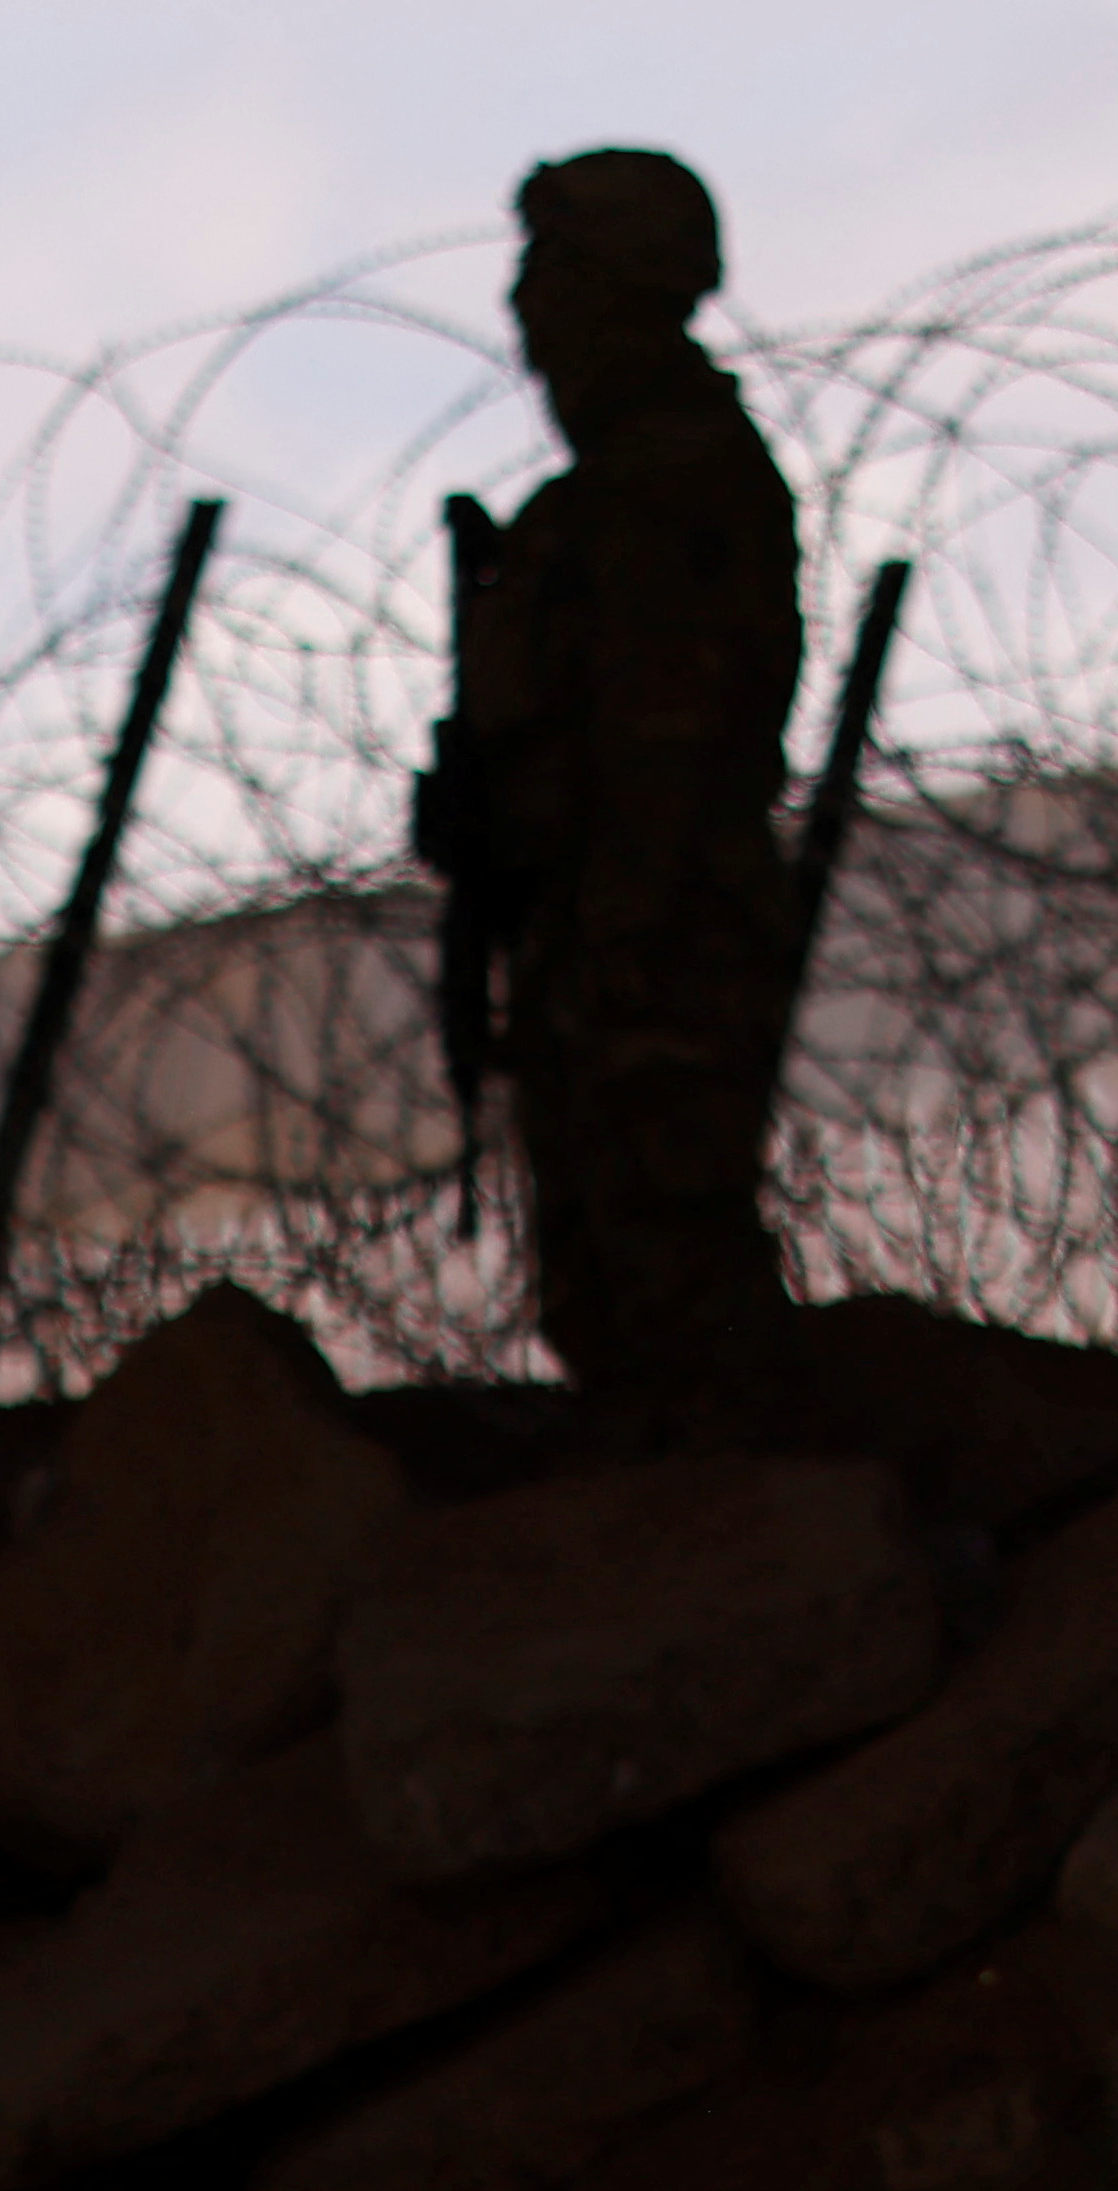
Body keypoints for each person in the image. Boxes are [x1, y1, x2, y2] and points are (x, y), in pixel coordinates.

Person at [417, 145, 809, 1407]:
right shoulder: (581, 514)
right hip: (590, 941)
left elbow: (672, 744)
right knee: (603, 1301)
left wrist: (621, 929)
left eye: (553, 279)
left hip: (651, 941)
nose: (525, 319)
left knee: (675, 1283)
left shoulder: (676, 490)